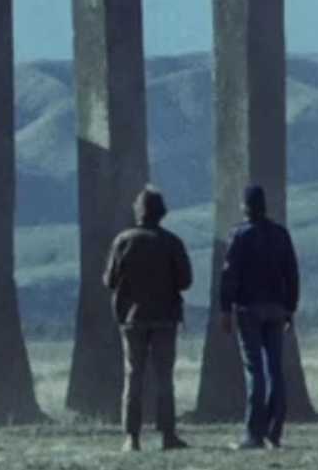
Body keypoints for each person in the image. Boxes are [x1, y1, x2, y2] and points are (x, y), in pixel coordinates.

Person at [102, 185, 193, 452]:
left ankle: (132, 437)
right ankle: (168, 435)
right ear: (161, 212)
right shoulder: (172, 242)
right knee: (165, 377)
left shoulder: (123, 241)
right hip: (165, 318)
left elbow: (110, 280)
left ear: (138, 212)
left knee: (133, 376)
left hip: (132, 318)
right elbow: (186, 281)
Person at [219, 184, 300, 450]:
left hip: (248, 309)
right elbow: (292, 273)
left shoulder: (239, 235)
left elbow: (229, 275)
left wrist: (225, 308)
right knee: (275, 368)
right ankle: (274, 432)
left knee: (255, 370)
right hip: (276, 309)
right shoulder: (280, 234)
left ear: (245, 206)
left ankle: (253, 434)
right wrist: (290, 307)